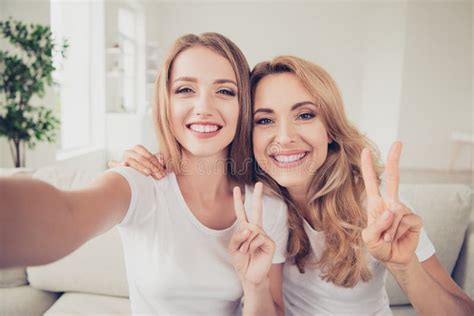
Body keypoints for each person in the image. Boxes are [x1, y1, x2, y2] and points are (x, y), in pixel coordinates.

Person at [117, 55, 474, 315]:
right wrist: (147, 161)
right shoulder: (251, 198)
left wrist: (405, 266)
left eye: (305, 115)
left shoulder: (374, 201)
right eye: (265, 120)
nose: (284, 138)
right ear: (247, 132)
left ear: (330, 127)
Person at [0, 33, 289, 316]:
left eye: (225, 91)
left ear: (244, 107)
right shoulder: (138, 184)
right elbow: (67, 214)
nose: (204, 107)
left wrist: (254, 285)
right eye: (185, 90)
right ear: (165, 102)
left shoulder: (266, 209)